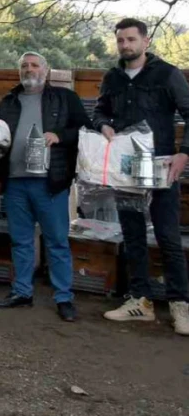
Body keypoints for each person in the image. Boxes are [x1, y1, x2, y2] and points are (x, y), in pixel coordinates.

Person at [93, 18, 189, 335]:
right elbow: (100, 111)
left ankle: (180, 305)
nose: (125, 46)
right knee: (132, 235)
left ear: (145, 41)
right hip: (126, 170)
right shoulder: (113, 77)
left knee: (168, 238)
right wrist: (103, 124)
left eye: (131, 39)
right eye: (120, 40)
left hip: (161, 168)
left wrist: (184, 152)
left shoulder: (167, 74)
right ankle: (140, 301)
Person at [0, 52, 89, 322]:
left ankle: (64, 297)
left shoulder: (65, 99)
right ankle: (22, 292)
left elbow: (85, 132)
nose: (29, 70)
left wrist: (60, 135)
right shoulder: (8, 101)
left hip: (50, 182)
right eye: (24, 66)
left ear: (46, 69)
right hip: (16, 181)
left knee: (56, 242)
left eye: (34, 65)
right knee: (20, 240)